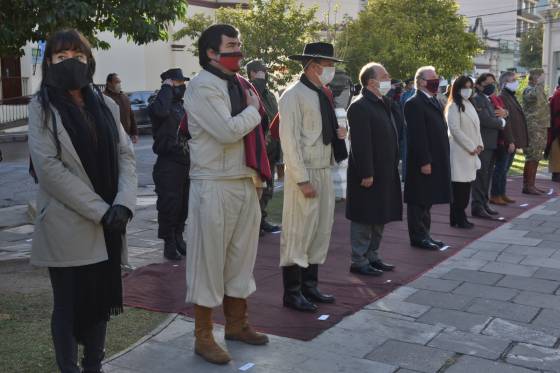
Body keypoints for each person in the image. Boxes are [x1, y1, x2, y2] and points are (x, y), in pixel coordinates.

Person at [27, 29, 137, 373]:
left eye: (77, 55)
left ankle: (94, 365)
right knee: (69, 305)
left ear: (88, 60)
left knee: (100, 300)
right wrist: (102, 211)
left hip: (110, 222)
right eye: (61, 57)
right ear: (49, 63)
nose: (69, 62)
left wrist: (124, 203)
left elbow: (126, 156)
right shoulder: (41, 107)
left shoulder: (105, 103)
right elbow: (49, 169)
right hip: (67, 223)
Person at [184, 24, 271, 365]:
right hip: (213, 183)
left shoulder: (238, 84)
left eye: (239, 44)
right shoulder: (202, 86)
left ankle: (237, 324)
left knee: (241, 259)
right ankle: (203, 336)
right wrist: (252, 109)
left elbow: (252, 133)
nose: (239, 50)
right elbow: (226, 131)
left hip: (242, 181)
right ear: (211, 52)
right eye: (231, 45)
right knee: (208, 261)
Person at [279, 42, 348, 312]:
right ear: (313, 66)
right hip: (305, 172)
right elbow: (290, 142)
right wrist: (301, 179)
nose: (331, 70)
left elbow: (323, 130)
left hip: (323, 167)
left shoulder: (323, 93)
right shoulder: (293, 95)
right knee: (298, 231)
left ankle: (310, 286)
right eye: (328, 65)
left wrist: (339, 135)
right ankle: (292, 292)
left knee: (320, 230)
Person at [346, 62, 402, 275]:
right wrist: (366, 172)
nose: (389, 79)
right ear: (371, 82)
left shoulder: (383, 102)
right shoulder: (360, 105)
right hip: (368, 173)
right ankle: (359, 260)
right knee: (364, 216)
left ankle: (373, 255)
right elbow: (361, 143)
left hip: (385, 170)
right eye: (384, 76)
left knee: (380, 214)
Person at [403, 66, 451, 250]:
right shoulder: (414, 103)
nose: (437, 80)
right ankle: (418, 236)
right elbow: (417, 136)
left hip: (436, 158)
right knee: (419, 200)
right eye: (433, 78)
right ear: (421, 81)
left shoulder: (433, 101)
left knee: (427, 199)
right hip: (423, 161)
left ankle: (426, 234)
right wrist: (425, 161)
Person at [148, 68, 190, 261]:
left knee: (183, 205)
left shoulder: (181, 105)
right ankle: (169, 243)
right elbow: (160, 112)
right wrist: (166, 88)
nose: (183, 86)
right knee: (169, 205)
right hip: (168, 163)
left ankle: (179, 237)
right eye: (179, 83)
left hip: (184, 161)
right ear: (169, 84)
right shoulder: (159, 103)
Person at [246, 59, 281, 234]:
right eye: (261, 71)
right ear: (252, 73)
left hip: (273, 147)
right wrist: (257, 83)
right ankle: (253, 223)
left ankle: (262, 218)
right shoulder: (250, 91)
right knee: (257, 188)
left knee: (268, 188)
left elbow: (275, 116)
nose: (265, 74)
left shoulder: (269, 94)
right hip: (260, 147)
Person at [445, 76, 483, 229]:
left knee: (466, 188)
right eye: (465, 87)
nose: (468, 90)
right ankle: (458, 217)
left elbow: (476, 127)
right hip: (460, 152)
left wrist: (479, 144)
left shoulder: (469, 104)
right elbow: (454, 130)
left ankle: (459, 217)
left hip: (471, 151)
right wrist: (470, 146)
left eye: (470, 87)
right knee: (459, 189)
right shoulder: (454, 106)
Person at [470, 73, 507, 219]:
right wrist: (502, 122)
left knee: (487, 176)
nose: (491, 86)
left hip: (491, 143)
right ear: (478, 86)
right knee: (481, 176)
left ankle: (484, 204)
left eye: (493, 83)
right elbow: (486, 120)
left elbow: (500, 113)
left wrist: (504, 115)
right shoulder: (477, 99)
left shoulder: (489, 99)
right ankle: (477, 206)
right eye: (487, 84)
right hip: (483, 143)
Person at [493, 72, 529, 202]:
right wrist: (511, 141)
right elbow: (505, 122)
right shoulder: (503, 97)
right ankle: (495, 195)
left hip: (512, 139)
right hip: (507, 140)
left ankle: (502, 193)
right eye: (512, 80)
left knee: (505, 170)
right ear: (505, 83)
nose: (516, 82)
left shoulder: (511, 96)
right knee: (501, 169)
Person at [522, 68, 550, 194]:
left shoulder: (538, 89)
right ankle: (528, 186)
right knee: (532, 156)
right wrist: (538, 83)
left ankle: (531, 184)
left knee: (537, 156)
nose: (544, 78)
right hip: (533, 128)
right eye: (542, 76)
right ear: (536, 77)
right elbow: (533, 97)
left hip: (540, 127)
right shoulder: (529, 89)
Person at [103, 73, 138, 144]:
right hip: (112, 138)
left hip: (126, 136)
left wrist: (134, 133)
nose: (119, 84)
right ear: (109, 83)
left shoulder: (124, 97)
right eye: (116, 82)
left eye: (119, 82)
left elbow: (131, 115)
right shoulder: (103, 98)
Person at [547, 76, 560, 182]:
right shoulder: (558, 94)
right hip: (557, 128)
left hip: (556, 127)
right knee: (556, 152)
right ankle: (556, 174)